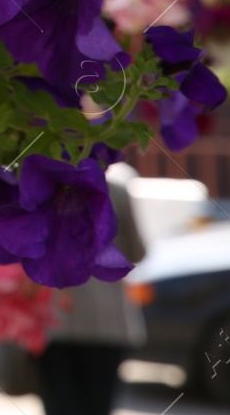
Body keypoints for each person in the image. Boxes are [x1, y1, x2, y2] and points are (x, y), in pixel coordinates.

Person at [37, 163, 146, 415]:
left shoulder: (42, 183)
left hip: (56, 323)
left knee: (60, 408)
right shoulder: (114, 188)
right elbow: (137, 251)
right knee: (98, 407)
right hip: (107, 324)